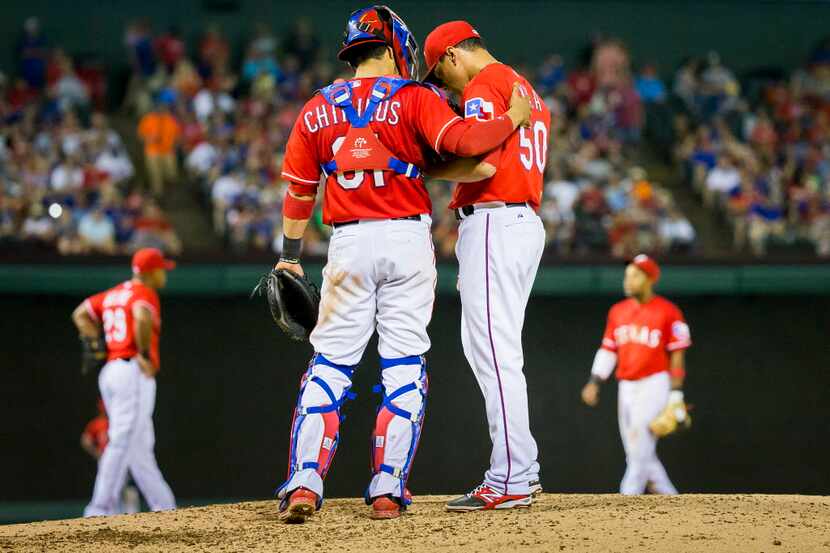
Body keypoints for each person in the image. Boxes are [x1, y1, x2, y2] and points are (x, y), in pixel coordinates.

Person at [273, 5, 531, 523]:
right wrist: (511, 120)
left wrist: (290, 257)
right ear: (394, 48)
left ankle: (305, 482)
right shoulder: (416, 98)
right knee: (404, 365)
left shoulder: (316, 108)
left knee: (328, 365)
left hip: (346, 247)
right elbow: (471, 148)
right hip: (407, 241)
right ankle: (387, 487)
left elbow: (300, 192)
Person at [422, 20, 551, 511]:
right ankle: (521, 469)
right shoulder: (525, 89)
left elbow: (482, 160)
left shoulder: (484, 84)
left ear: (453, 54)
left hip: (497, 220)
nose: (443, 84)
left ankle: (513, 475)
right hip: (519, 223)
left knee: (494, 353)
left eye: (439, 73)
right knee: (496, 352)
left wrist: (425, 168)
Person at [71, 247, 177, 516]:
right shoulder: (144, 293)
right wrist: (142, 352)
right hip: (131, 370)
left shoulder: (114, 293)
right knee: (121, 440)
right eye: (161, 270)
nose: (164, 275)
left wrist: (96, 341)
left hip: (112, 370)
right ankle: (99, 508)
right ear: (151, 272)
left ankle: (165, 508)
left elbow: (80, 313)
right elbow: (142, 316)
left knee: (140, 448)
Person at [580, 255, 692, 495]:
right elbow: (608, 350)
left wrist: (675, 395)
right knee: (637, 450)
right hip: (626, 387)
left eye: (635, 275)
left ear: (650, 279)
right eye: (627, 275)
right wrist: (594, 381)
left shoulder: (668, 311)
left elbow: (677, 355)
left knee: (638, 442)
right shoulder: (617, 311)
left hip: (654, 382)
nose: (628, 280)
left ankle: (626, 498)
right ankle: (673, 501)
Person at [81, 399, 140, 514]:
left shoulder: (115, 422)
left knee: (118, 487)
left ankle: (119, 513)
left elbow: (85, 440)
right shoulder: (103, 423)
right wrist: (96, 452)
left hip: (117, 459)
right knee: (113, 486)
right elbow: (86, 440)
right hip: (109, 458)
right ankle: (108, 512)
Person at [137, 98, 181, 198]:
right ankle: (158, 194)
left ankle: (168, 188)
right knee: (155, 172)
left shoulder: (171, 120)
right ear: (155, 108)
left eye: (163, 108)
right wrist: (149, 138)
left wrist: (175, 145)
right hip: (152, 150)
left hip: (168, 150)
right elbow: (140, 136)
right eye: (159, 108)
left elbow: (178, 136)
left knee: (171, 173)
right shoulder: (147, 119)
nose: (161, 110)